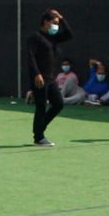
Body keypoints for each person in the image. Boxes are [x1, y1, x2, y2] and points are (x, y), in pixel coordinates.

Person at [26, 8, 73, 146]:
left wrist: (62, 18)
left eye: (57, 23)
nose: (56, 26)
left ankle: (39, 128)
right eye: (54, 22)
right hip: (39, 78)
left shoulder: (53, 38)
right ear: (46, 22)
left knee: (58, 104)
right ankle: (39, 137)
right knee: (41, 106)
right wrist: (36, 74)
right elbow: (30, 57)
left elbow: (69, 35)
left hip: (51, 78)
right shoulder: (35, 37)